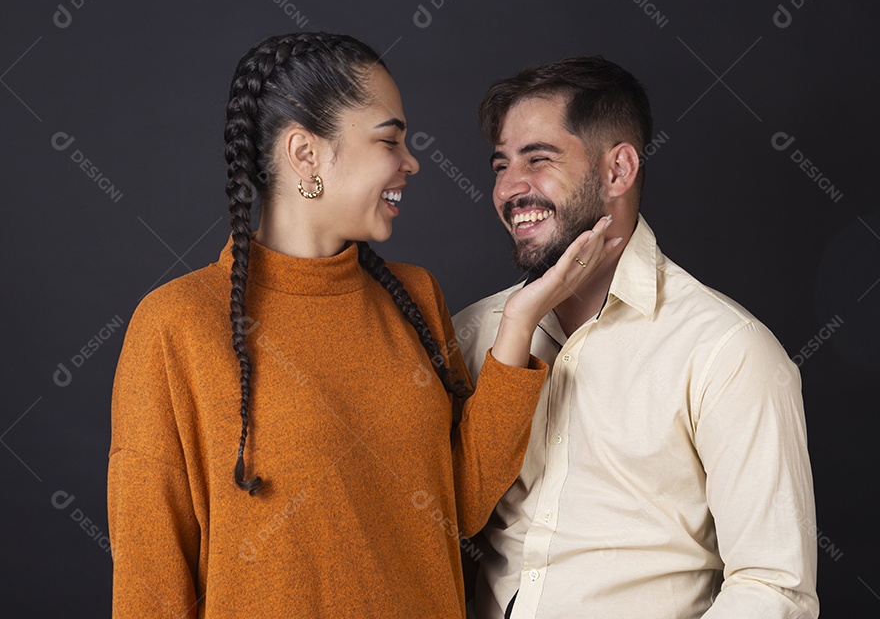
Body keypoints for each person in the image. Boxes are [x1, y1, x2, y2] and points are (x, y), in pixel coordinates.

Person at [107, 33, 618, 618]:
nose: (411, 162)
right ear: (306, 154)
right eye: (388, 139)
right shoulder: (177, 324)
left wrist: (519, 323)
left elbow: (459, 507)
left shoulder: (414, 298)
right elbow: (151, 583)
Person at [453, 56, 819, 618]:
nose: (508, 189)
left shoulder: (726, 350)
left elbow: (772, 586)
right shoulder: (474, 334)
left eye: (538, 160)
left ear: (618, 171)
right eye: (501, 165)